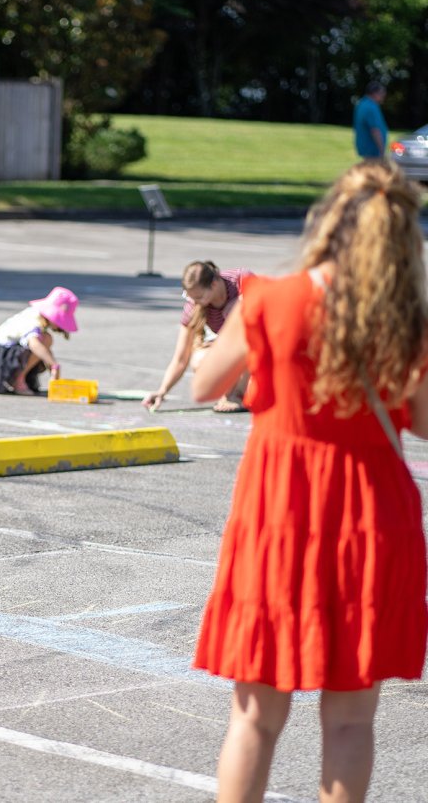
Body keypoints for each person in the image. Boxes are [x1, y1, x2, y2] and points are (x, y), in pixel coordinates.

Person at [192, 161, 428, 802]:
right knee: (351, 720)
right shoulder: (402, 320)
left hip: (281, 512)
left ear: (325, 224)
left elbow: (205, 386)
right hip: (372, 517)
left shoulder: (267, 299)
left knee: (255, 718)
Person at [142, 261, 252, 413]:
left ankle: (238, 394)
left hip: (266, 350)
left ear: (214, 284)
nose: (195, 301)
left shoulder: (241, 280)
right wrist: (162, 391)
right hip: (237, 352)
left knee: (239, 317)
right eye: (191, 297)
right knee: (200, 359)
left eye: (199, 297)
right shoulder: (193, 304)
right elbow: (181, 358)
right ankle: (235, 391)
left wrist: (240, 306)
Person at [0, 287, 79, 395]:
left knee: (46, 339)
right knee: (45, 341)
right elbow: (34, 344)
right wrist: (53, 364)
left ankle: (19, 377)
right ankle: (17, 379)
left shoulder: (37, 315)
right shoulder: (34, 322)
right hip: (2, 354)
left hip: (9, 349)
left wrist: (50, 362)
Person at [353, 81, 388, 160]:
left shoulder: (362, 103)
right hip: (373, 150)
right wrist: (382, 150)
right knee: (373, 171)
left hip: (365, 148)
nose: (383, 96)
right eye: (382, 93)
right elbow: (375, 130)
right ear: (375, 93)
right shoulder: (371, 107)